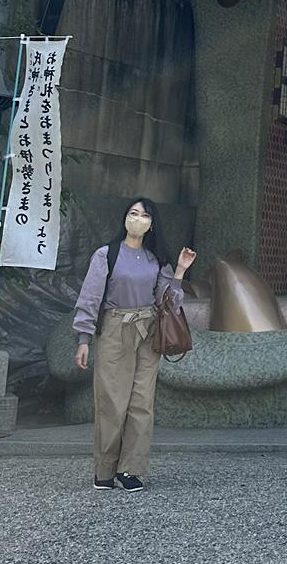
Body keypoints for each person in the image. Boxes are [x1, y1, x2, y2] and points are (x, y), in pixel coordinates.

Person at [72, 197, 195, 490]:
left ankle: (130, 470)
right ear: (124, 218)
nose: (137, 218)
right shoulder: (106, 254)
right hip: (115, 329)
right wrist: (83, 339)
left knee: (141, 402)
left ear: (152, 224)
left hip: (149, 330)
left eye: (144, 215)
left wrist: (179, 271)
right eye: (132, 213)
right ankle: (104, 470)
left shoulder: (156, 259)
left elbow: (170, 302)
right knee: (112, 401)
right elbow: (89, 297)